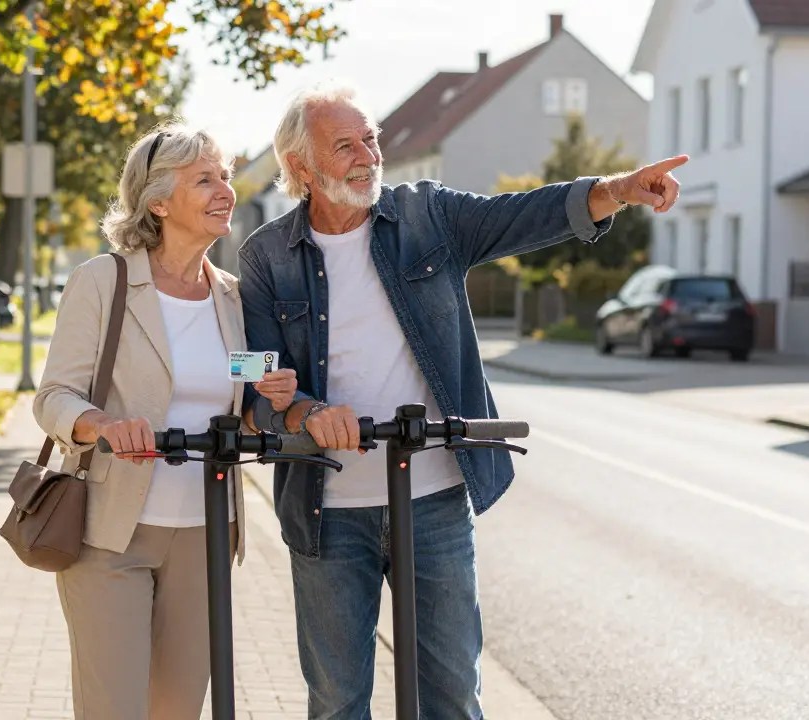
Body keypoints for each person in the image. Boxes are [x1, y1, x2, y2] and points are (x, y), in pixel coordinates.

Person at [237, 81, 687, 719]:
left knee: (451, 697)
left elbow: (521, 214)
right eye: (346, 146)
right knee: (337, 702)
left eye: (371, 139)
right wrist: (304, 410)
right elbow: (259, 386)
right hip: (327, 510)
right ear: (300, 169)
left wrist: (614, 189)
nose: (367, 156)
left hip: (434, 500)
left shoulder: (428, 216)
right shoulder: (264, 258)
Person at [33, 124, 298, 720]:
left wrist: (270, 396)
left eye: (225, 176)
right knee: (114, 710)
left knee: (179, 710)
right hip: (111, 533)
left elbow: (239, 397)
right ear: (157, 201)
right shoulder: (105, 281)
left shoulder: (231, 296)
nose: (225, 189)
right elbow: (53, 397)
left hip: (205, 533)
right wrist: (100, 424)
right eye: (205, 179)